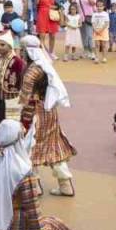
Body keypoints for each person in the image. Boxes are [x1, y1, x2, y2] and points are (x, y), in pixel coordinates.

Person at [17, 34, 77, 196]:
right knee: (54, 146)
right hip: (49, 111)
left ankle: (34, 186)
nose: (20, 52)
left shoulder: (32, 71)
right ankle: (65, 185)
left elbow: (25, 96)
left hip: (35, 112)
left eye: (22, 50)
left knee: (29, 147)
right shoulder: (44, 66)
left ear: (27, 51)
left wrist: (19, 115)